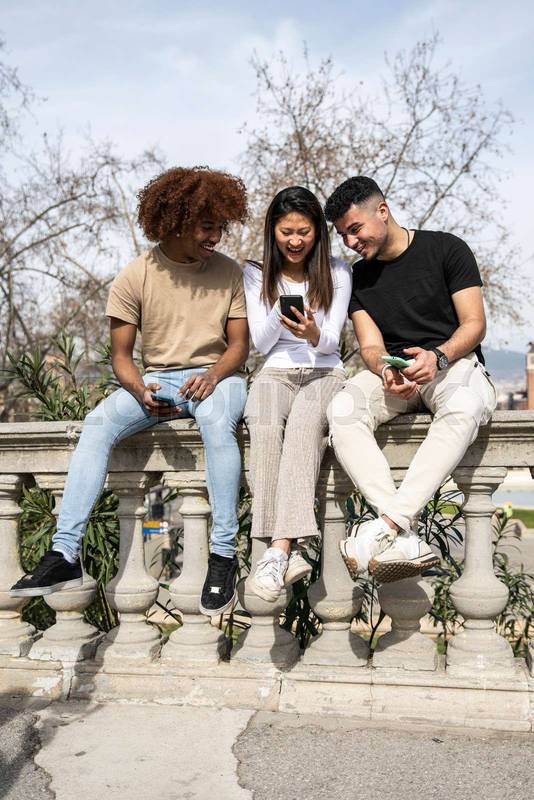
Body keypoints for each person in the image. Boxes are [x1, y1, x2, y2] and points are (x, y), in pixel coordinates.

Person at [10, 166, 249, 617]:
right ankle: (63, 555)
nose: (215, 235)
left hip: (219, 378)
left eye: (220, 225)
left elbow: (239, 345)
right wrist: (140, 390)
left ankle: (222, 556)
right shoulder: (135, 275)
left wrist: (214, 375)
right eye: (206, 226)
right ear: (175, 221)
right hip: (159, 379)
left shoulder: (230, 273)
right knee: (97, 425)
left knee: (219, 423)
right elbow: (122, 357)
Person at [324, 176, 496, 584]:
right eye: (343, 235)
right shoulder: (358, 278)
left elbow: (475, 324)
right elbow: (369, 345)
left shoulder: (446, 249)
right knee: (341, 409)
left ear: (382, 211)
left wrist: (438, 357)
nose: (350, 241)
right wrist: (385, 369)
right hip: (394, 376)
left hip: (451, 366)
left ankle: (386, 525)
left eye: (355, 229)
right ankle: (402, 533)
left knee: (466, 405)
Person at [243, 186, 352, 601]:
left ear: (317, 233)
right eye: (286, 231)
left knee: (305, 429)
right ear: (273, 230)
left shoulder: (338, 271)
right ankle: (286, 550)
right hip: (277, 372)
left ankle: (279, 550)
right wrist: (282, 308)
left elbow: (331, 342)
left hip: (324, 371)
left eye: (304, 231)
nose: (294, 240)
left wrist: (312, 331)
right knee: (264, 425)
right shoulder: (255, 274)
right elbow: (261, 343)